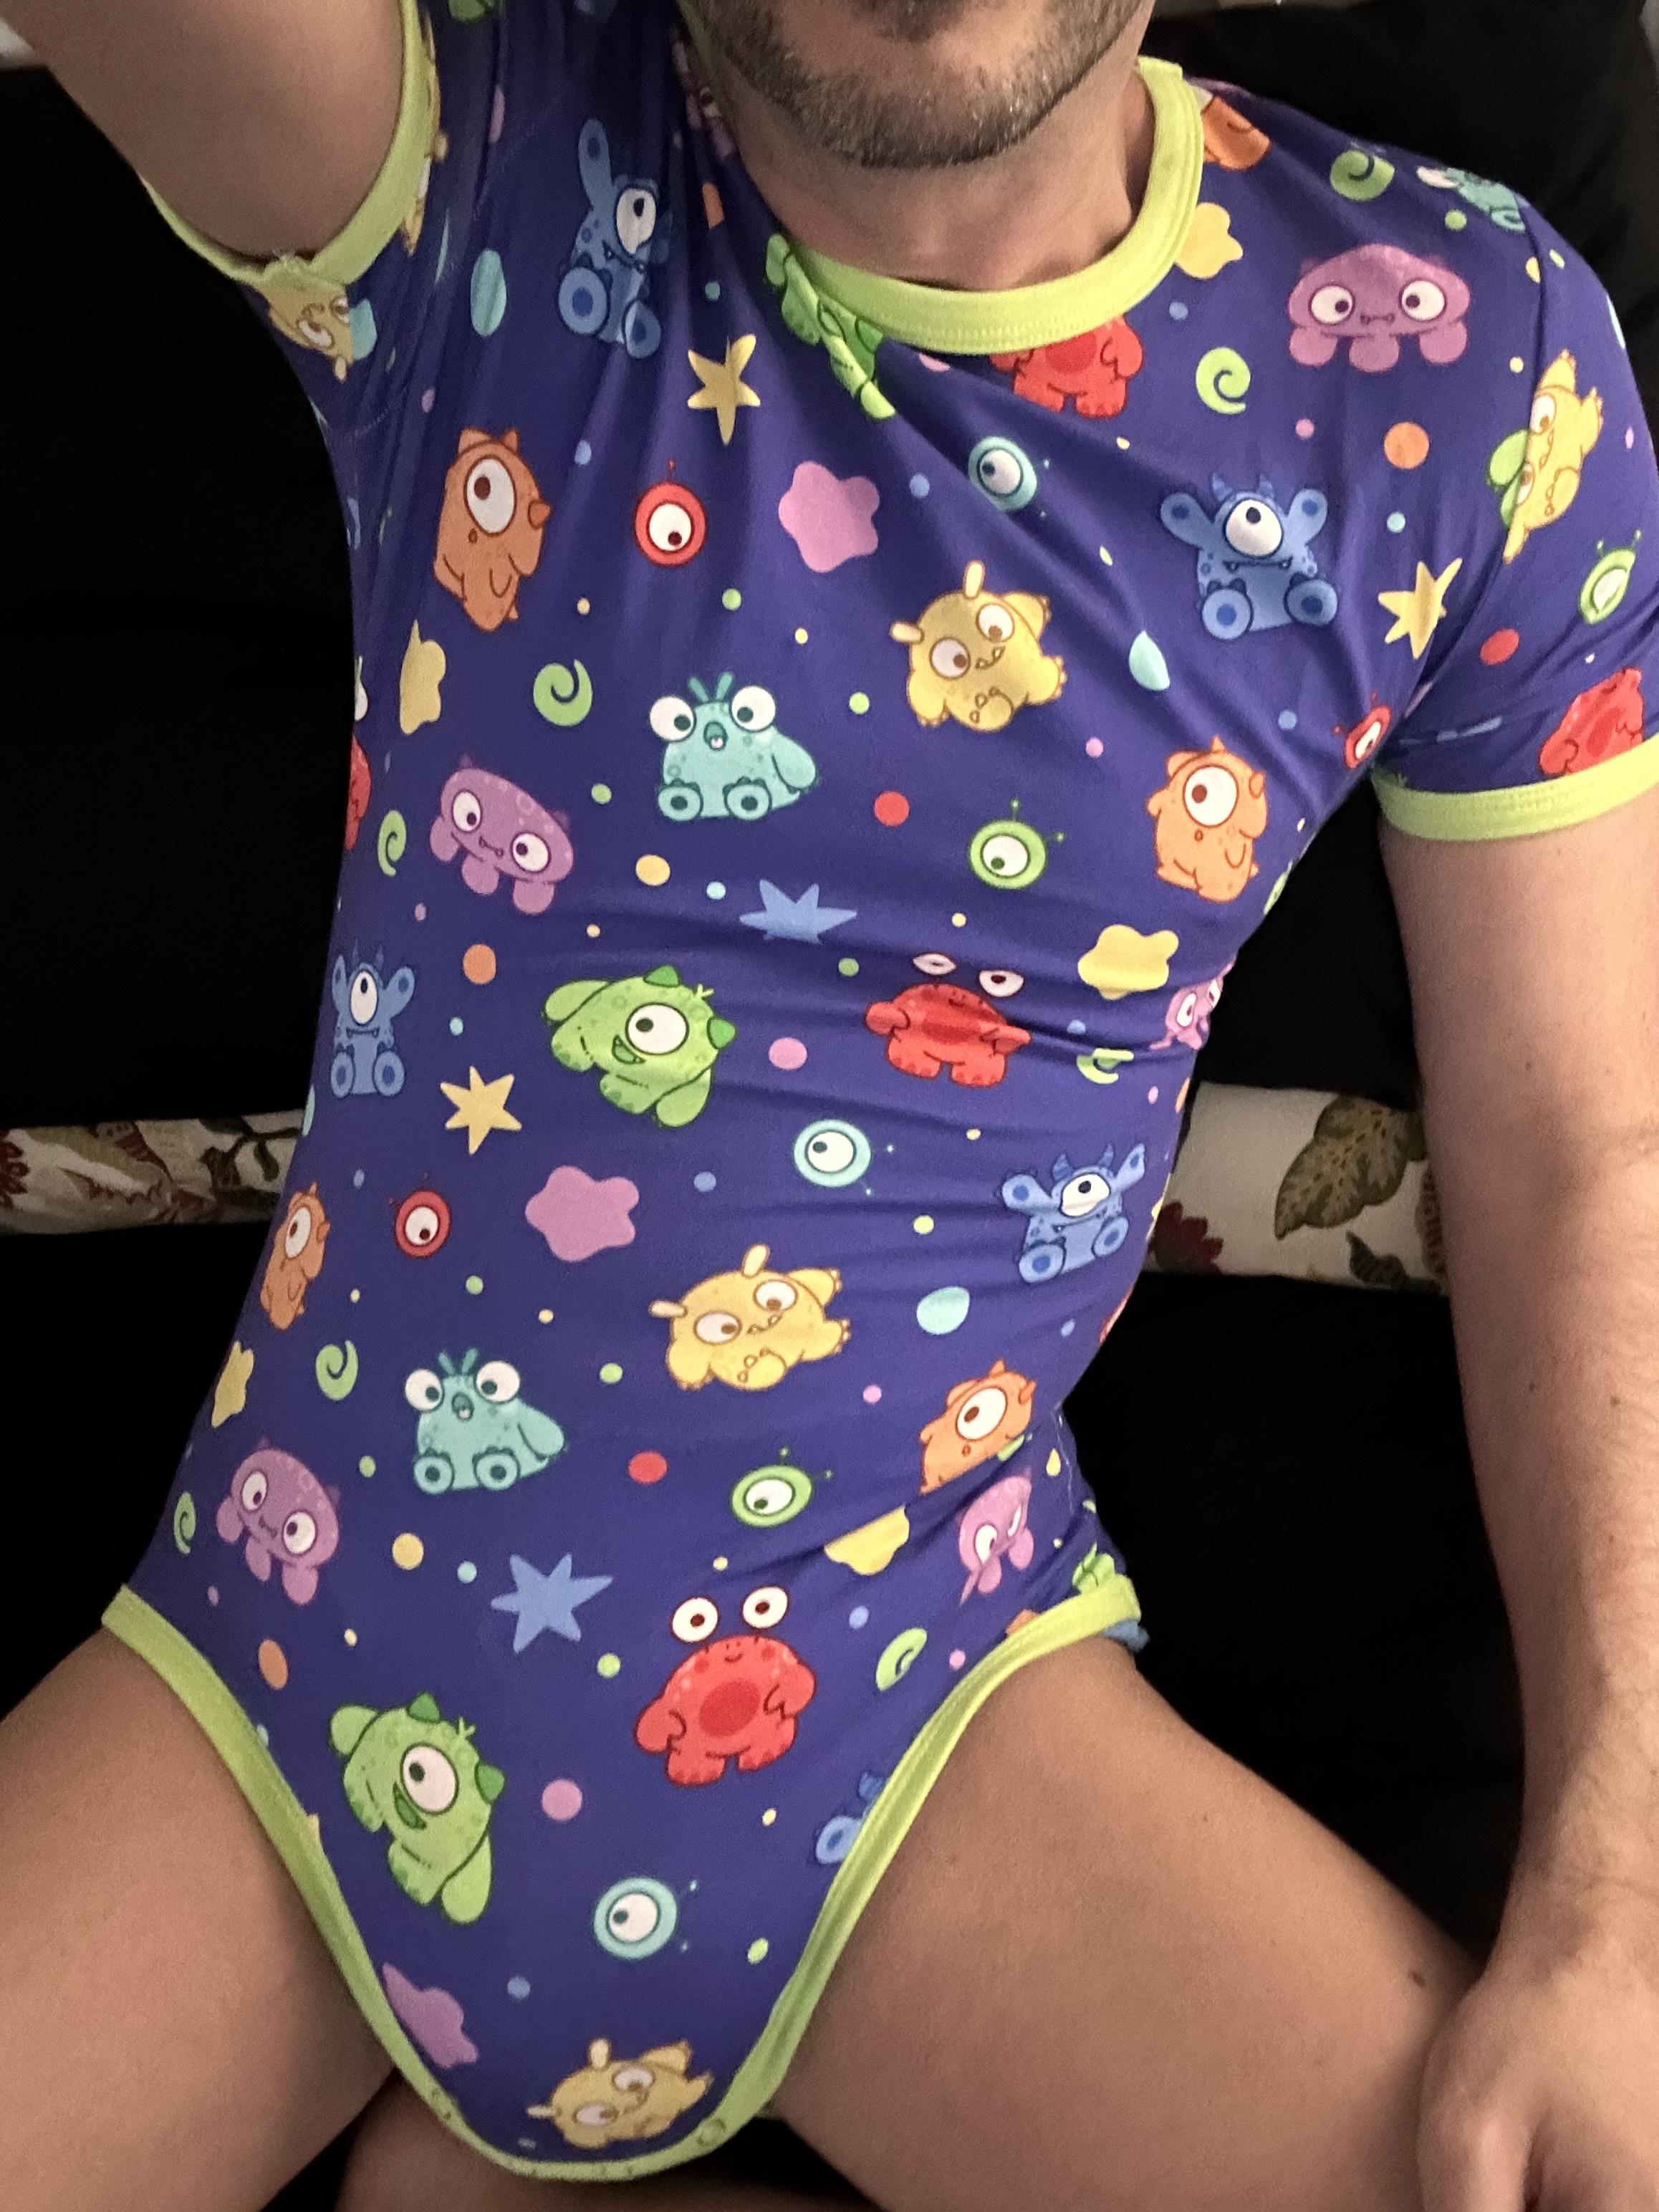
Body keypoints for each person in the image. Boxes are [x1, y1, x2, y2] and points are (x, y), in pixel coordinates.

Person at [6, 6, 1659, 2212]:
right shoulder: (466, 151)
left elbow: (1584, 1157)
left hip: (919, 1727)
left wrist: (1617, 1908)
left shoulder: (1467, 364)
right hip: (281, 1696)